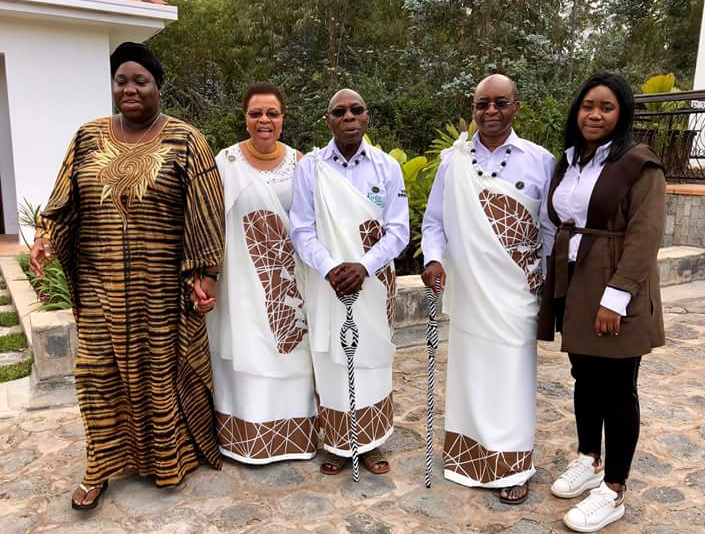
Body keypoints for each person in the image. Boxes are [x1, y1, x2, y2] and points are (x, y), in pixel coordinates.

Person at [29, 42, 224, 509]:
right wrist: (47, 235)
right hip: (99, 285)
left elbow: (205, 213)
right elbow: (63, 200)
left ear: (158, 86)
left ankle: (165, 459)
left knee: (159, 373)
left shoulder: (185, 139)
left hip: (158, 287)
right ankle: (98, 467)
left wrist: (206, 272)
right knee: (97, 374)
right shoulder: (88, 136)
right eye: (122, 80)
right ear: (113, 86)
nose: (130, 89)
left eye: (141, 81)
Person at [538, 72, 665, 532]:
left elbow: (645, 237)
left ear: (621, 114)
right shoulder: (569, 162)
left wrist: (616, 299)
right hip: (575, 283)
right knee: (584, 377)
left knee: (617, 386)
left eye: (606, 107)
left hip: (615, 285)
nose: (594, 114)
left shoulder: (639, 164)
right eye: (588, 105)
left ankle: (613, 489)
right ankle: (589, 459)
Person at [421, 74, 555, 503]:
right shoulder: (452, 160)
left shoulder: (540, 160)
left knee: (513, 378)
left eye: (500, 103)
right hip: (470, 291)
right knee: (470, 374)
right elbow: (434, 222)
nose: (491, 111)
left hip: (517, 292)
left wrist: (545, 284)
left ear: (516, 105)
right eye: (482, 104)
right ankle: (467, 457)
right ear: (473, 108)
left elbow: (549, 230)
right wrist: (433, 259)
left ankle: (513, 465)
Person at [289, 89, 409, 475]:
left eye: (356, 109)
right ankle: (340, 444)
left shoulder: (386, 167)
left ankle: (372, 443)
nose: (349, 117)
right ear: (328, 120)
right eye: (339, 111)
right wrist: (329, 268)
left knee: (372, 357)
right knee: (332, 360)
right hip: (327, 283)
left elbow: (398, 231)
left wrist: (364, 266)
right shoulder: (310, 168)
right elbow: (301, 228)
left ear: (368, 116)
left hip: (372, 282)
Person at [203, 82, 318, 464]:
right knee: (245, 353)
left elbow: (313, 223)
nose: (264, 120)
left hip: (286, 282)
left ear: (283, 119)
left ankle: (295, 435)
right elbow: (209, 222)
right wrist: (207, 275)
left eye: (272, 113)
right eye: (256, 113)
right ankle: (245, 440)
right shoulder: (226, 163)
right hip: (239, 283)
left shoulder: (300, 163)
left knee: (290, 355)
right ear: (246, 119)